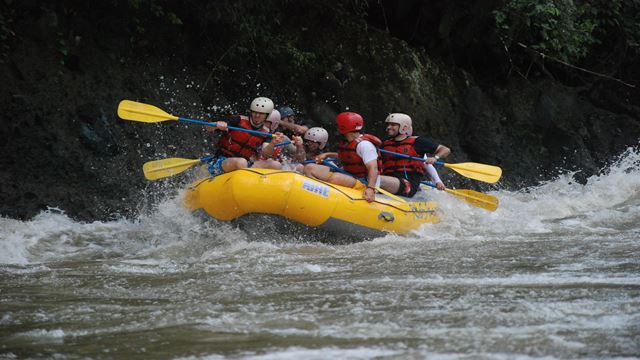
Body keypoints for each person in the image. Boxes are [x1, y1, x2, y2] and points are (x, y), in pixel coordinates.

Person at [304, 112, 381, 202]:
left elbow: (373, 167)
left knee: (335, 178)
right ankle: (314, 195)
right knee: (309, 168)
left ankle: (325, 199)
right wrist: (327, 154)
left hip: (365, 181)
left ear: (344, 127)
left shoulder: (364, 145)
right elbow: (348, 157)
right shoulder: (348, 142)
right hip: (349, 175)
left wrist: (370, 188)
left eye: (338, 125)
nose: (337, 128)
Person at [379, 113, 450, 197]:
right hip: (391, 182)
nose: (388, 127)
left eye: (393, 125)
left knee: (375, 179)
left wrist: (435, 158)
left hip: (408, 184)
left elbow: (445, 150)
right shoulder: (384, 144)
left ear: (403, 127)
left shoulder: (418, 142)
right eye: (388, 125)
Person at [207, 97, 282, 175]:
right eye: (254, 112)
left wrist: (272, 143)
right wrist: (217, 124)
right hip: (222, 160)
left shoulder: (266, 132)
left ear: (267, 115)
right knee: (241, 162)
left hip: (246, 163)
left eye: (261, 113)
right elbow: (208, 127)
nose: (257, 115)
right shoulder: (238, 120)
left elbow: (266, 154)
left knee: (276, 165)